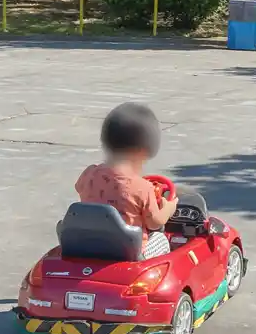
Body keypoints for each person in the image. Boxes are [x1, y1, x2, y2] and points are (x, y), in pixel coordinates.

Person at [75, 103, 179, 258]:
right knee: (161, 239)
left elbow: (79, 187)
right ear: (143, 151)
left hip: (90, 246)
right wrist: (169, 208)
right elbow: (155, 223)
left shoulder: (89, 173)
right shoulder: (143, 188)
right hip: (128, 254)